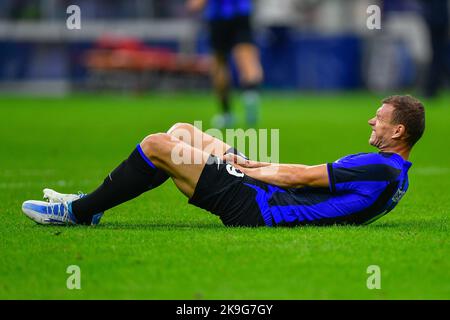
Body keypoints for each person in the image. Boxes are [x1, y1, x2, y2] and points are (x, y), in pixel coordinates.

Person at [22, 95, 425, 227]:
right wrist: (252, 165)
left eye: (380, 117)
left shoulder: (380, 167)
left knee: (158, 145)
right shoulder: (391, 172)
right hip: (267, 193)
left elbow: (301, 177)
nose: (372, 120)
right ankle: (92, 206)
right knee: (183, 131)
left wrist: (250, 169)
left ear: (398, 132)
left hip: (259, 206)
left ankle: (78, 211)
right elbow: (306, 182)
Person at [187, 0, 263, 128]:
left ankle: (227, 113)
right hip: (241, 13)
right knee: (247, 57)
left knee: (219, 64)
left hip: (217, 17)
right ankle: (251, 94)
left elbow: (195, 5)